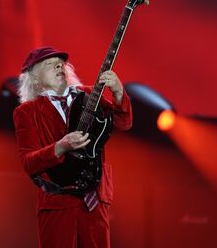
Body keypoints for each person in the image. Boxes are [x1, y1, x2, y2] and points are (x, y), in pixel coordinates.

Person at [13, 46, 132, 248]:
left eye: (61, 63)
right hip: (57, 200)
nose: (59, 66)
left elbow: (122, 123)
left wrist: (119, 93)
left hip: (93, 197)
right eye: (50, 64)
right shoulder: (27, 111)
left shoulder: (88, 95)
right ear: (34, 77)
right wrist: (60, 147)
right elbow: (28, 162)